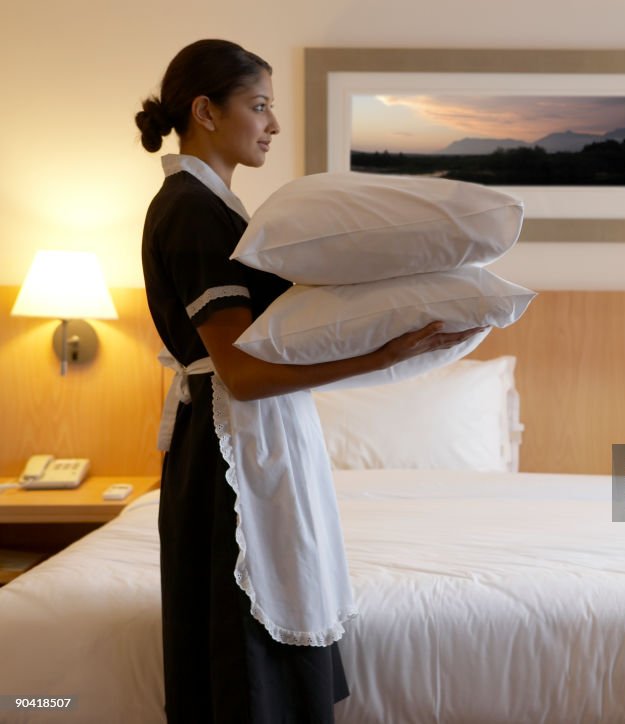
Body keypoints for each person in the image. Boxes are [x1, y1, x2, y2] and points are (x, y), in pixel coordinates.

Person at [135, 39, 483, 724]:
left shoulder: (217, 209)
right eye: (259, 106)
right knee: (240, 653)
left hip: (237, 439)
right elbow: (240, 372)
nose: (273, 124)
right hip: (225, 454)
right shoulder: (192, 212)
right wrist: (380, 357)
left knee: (258, 640)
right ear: (205, 111)